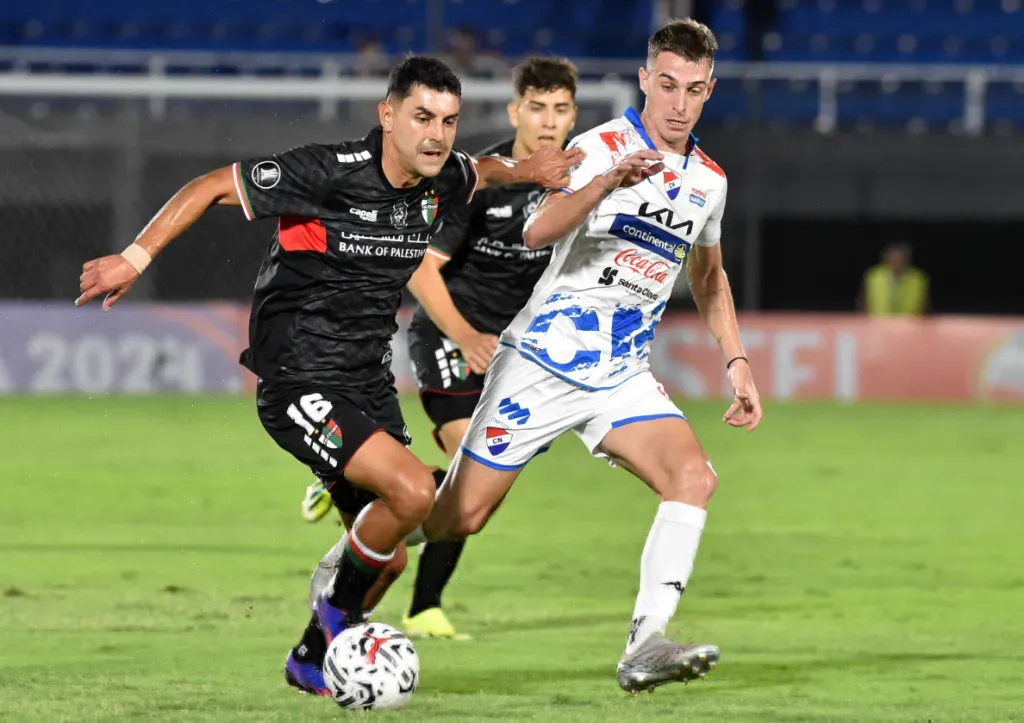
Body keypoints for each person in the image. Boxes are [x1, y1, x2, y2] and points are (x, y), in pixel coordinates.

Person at [74, 55, 582, 697]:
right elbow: (208, 187)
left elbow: (482, 170)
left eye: (449, 121)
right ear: (387, 115)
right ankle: (340, 619)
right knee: (412, 494)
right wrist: (133, 256)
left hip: (366, 382)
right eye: (422, 117)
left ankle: (310, 657)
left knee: (389, 558)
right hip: (297, 375)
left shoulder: (444, 177)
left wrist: (529, 170)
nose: (436, 134)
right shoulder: (326, 172)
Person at [412, 18, 764, 694]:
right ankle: (355, 554)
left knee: (694, 476)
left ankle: (646, 643)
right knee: (460, 516)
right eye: (666, 85)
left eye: (693, 89)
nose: (678, 102)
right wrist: (605, 184)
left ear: (710, 90)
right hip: (540, 363)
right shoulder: (599, 146)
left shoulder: (709, 183)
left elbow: (709, 275)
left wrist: (736, 359)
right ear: (644, 81)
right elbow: (535, 229)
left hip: (620, 375)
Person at [302, 56, 581, 641]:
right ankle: (422, 604)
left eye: (561, 109)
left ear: (574, 114)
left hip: (514, 357)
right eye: (537, 107)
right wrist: (466, 335)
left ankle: (364, 492)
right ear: (515, 111)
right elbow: (422, 271)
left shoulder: (580, 183)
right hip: (451, 335)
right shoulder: (483, 182)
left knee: (475, 506)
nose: (549, 121)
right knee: (465, 465)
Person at [859, 241, 929, 317]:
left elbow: (924, 303)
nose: (896, 260)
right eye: (893, 256)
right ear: (886, 257)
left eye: (900, 257)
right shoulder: (874, 276)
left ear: (906, 259)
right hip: (878, 323)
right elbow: (863, 300)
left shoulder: (917, 278)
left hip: (909, 324)